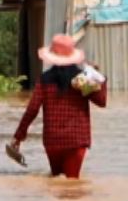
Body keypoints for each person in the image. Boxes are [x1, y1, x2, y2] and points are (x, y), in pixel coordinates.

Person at [10, 34, 108, 179]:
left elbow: (32, 109)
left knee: (56, 182)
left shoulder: (44, 80)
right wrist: (99, 78)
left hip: (52, 141)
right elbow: (101, 101)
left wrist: (18, 136)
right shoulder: (82, 79)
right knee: (72, 183)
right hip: (76, 140)